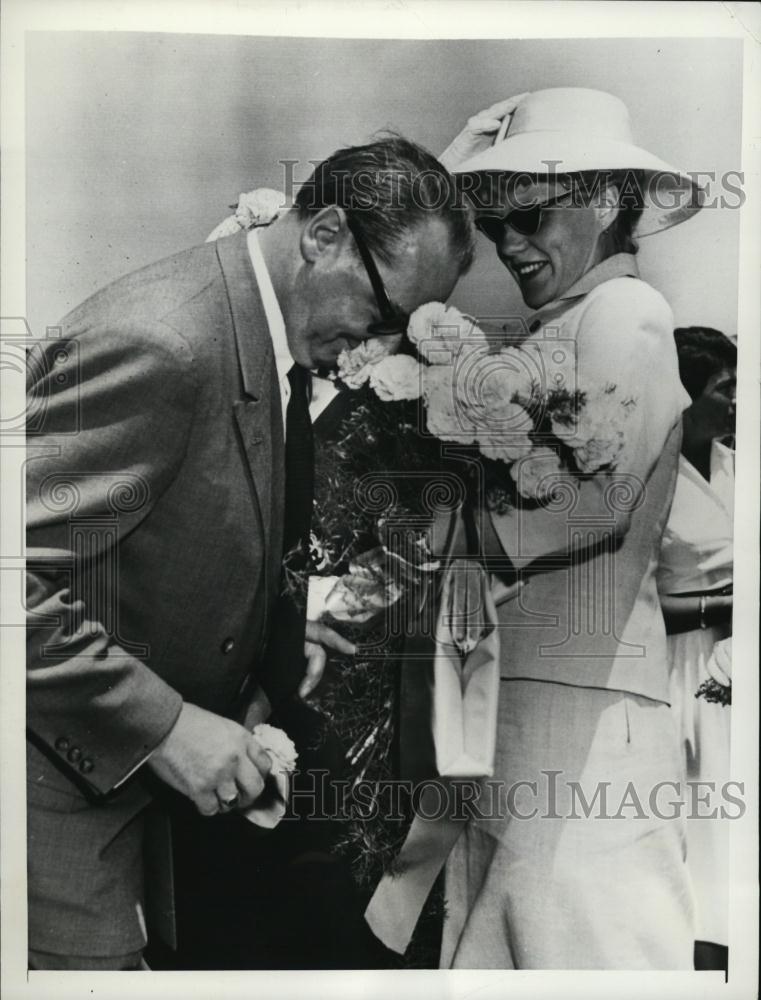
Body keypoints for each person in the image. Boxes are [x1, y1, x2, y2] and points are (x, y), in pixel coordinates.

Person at [25, 136, 473, 970]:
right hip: (45, 805)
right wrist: (167, 728)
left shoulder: (261, 342)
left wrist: (262, 665)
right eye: (379, 314)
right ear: (325, 234)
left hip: (118, 811)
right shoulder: (165, 341)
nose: (375, 343)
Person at [428, 87, 704, 968]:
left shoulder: (626, 314)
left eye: (530, 217)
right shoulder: (568, 323)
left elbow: (595, 501)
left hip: (587, 711)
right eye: (494, 223)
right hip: (523, 693)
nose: (509, 245)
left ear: (604, 202)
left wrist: (441, 537)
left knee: (588, 949)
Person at [658, 326, 736, 972]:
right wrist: (727, 607)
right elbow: (632, 608)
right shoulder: (652, 483)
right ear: (683, 398)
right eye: (723, 389)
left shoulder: (740, 464)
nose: (736, 401)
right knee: (697, 832)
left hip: (741, 662)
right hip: (682, 670)